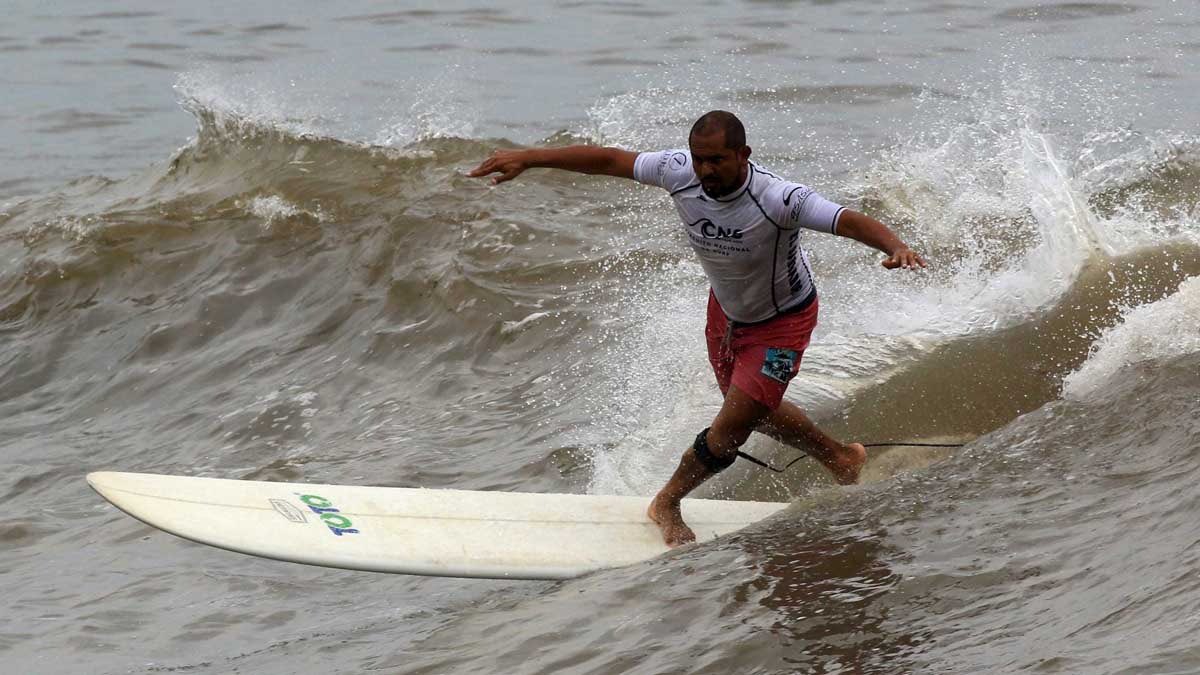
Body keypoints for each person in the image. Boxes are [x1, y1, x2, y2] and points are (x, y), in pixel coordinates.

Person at [469, 110, 926, 547]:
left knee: (729, 430)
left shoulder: (778, 198)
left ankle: (667, 502)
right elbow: (608, 160)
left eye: (717, 160)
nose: (705, 169)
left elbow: (847, 220)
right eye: (699, 158)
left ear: (744, 154)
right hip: (725, 314)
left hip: (781, 324)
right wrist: (530, 157)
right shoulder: (677, 170)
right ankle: (840, 457)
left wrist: (895, 246)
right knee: (751, 410)